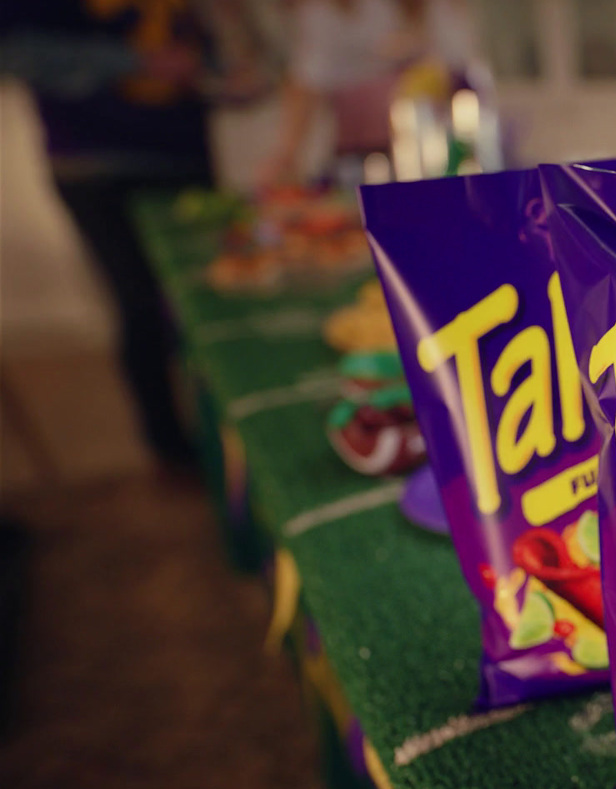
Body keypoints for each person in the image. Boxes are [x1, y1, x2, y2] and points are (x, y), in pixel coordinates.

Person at [1, 1, 267, 469]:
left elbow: (235, 68)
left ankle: (223, 438)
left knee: (213, 301)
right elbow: (16, 51)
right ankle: (170, 446)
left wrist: (229, 66)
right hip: (94, 163)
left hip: (182, 154)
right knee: (141, 305)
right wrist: (139, 62)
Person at [257, 0, 478, 188]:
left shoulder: (432, 7)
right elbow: (307, 80)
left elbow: (459, 66)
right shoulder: (324, 10)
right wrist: (286, 155)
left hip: (429, 153)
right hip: (354, 159)